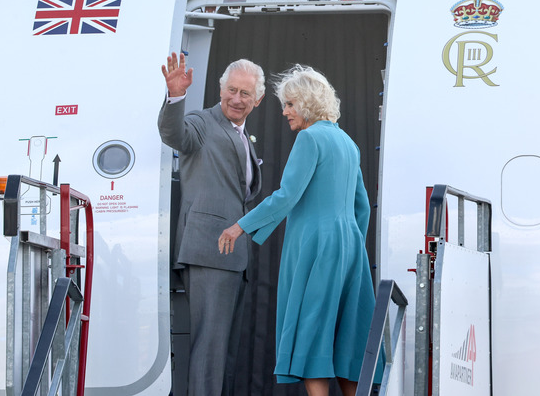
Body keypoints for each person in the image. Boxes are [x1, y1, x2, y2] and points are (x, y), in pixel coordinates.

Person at [218, 65, 382, 396]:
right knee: (348, 334)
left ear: (307, 103)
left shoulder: (309, 138)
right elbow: (361, 205)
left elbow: (287, 195)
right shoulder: (347, 143)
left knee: (312, 333)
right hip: (350, 247)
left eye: (290, 104)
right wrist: (349, 239)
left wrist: (240, 226)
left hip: (315, 247)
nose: (285, 112)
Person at [158, 52, 265, 396]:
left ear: (257, 99)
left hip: (233, 256)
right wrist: (176, 96)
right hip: (208, 250)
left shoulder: (243, 136)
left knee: (225, 354)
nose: (237, 99)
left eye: (245, 93)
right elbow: (174, 134)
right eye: (231, 90)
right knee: (210, 350)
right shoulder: (203, 123)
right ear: (221, 90)